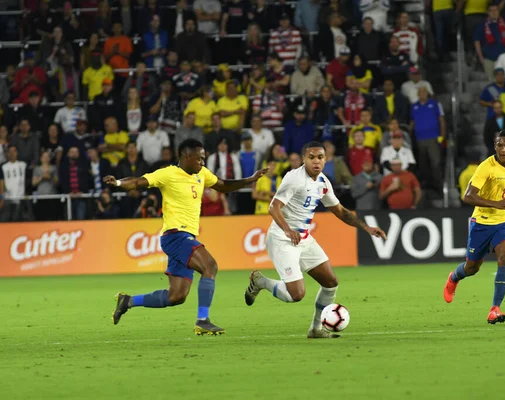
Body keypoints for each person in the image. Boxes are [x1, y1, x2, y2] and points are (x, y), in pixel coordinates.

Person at [107, 139, 268, 335]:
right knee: (210, 266)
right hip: (176, 235)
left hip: (185, 236)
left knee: (176, 296)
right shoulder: (168, 174)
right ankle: (202, 320)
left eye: (204, 158)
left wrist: (250, 179)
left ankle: (128, 301)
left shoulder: (202, 174)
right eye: (199, 158)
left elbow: (223, 185)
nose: (202, 162)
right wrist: (117, 182)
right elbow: (139, 182)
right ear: (185, 157)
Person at [243, 141, 386, 338]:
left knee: (330, 283)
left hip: (304, 239)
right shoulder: (294, 178)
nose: (316, 162)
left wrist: (367, 228)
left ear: (325, 160)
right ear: (304, 159)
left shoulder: (323, 183)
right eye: (311, 157)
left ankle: (316, 329)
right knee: (296, 295)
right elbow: (273, 207)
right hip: (282, 239)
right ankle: (261, 282)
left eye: (320, 157)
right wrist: (287, 230)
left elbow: (340, 211)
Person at [443, 130, 505, 324]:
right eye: (500, 145)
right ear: (495, 147)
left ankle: (495, 309)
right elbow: (467, 196)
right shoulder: (486, 167)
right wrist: (495, 204)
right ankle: (454, 278)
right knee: (472, 267)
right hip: (482, 222)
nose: (504, 149)